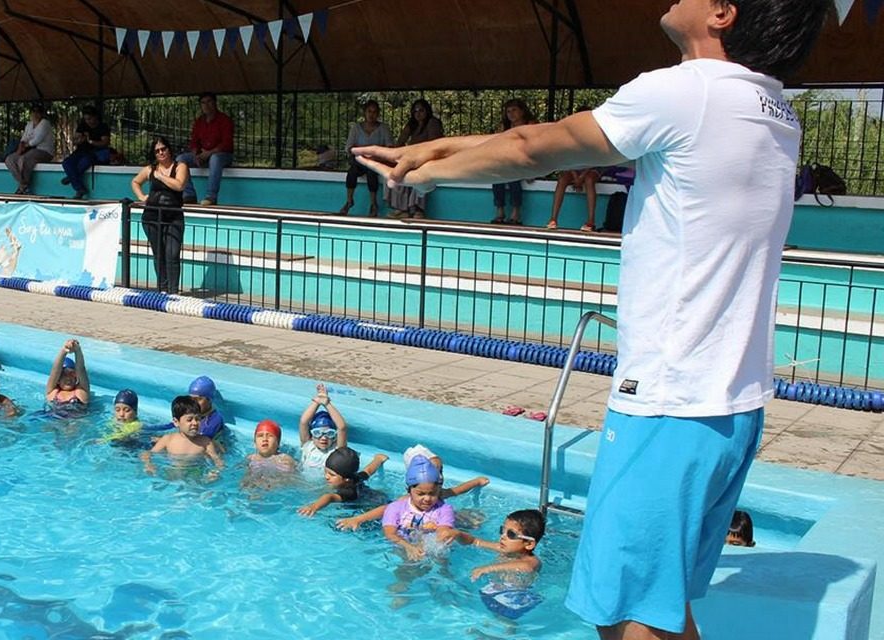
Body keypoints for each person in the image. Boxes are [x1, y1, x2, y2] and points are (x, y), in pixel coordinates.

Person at [353, 1, 835, 636]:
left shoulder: (683, 92)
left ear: (722, 11)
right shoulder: (769, 109)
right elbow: (550, 134)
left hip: (668, 402)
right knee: (663, 608)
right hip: (730, 407)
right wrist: (428, 150)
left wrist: (422, 172)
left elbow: (531, 147)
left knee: (623, 618)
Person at [334, 445, 491, 531]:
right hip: (412, 526)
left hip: (437, 523)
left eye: (439, 470)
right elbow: (385, 509)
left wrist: (476, 482)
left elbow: (457, 490)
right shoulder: (406, 501)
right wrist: (358, 519)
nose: (427, 497)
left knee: (474, 521)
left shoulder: (437, 493)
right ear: (411, 488)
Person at [131, 136, 189, 295]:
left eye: (163, 149)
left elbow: (179, 185)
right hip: (152, 216)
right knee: (159, 253)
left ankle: (173, 291)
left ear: (169, 149)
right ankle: (162, 289)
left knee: (172, 253)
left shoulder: (180, 166)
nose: (161, 152)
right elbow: (135, 182)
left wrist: (161, 176)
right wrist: (142, 197)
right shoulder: (150, 169)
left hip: (173, 215)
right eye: (157, 151)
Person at [141, 395, 225, 479]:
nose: (195, 423)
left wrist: (215, 472)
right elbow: (147, 454)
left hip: (195, 475)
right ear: (176, 422)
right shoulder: (168, 440)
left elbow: (218, 461)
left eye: (198, 419)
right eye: (189, 420)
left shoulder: (205, 442)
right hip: (172, 474)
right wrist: (148, 465)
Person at [546, 106, 602, 231]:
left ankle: (591, 221)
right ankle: (553, 219)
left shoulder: (595, 133)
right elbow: (566, 157)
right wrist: (575, 175)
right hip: (574, 167)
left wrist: (581, 176)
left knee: (589, 180)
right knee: (562, 179)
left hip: (591, 167)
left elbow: (596, 158)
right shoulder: (571, 134)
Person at [385, 99, 443, 220]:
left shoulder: (432, 123)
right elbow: (400, 141)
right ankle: (402, 208)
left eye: (421, 110)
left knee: (420, 176)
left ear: (427, 111)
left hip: (429, 159)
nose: (418, 113)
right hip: (412, 159)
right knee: (396, 172)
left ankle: (417, 208)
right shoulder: (412, 124)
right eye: (415, 111)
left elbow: (434, 144)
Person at [176, 93, 234, 206]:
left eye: (209, 102)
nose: (206, 105)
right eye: (203, 103)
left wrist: (209, 153)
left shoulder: (224, 120)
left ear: (215, 103)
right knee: (180, 158)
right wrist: (196, 154)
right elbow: (194, 142)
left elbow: (226, 143)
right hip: (203, 154)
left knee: (215, 158)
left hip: (222, 155)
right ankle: (189, 194)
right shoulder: (199, 122)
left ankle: (211, 197)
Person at [457, 509, 545, 584]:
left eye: (511, 534)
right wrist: (457, 534)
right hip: (496, 588)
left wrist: (488, 568)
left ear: (529, 544)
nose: (503, 536)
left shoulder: (531, 561)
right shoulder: (504, 549)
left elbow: (526, 567)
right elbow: (476, 541)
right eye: (502, 530)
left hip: (517, 597)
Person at [339, 100, 394, 217]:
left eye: (374, 112)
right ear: (364, 113)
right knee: (352, 172)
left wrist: (376, 154)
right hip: (359, 160)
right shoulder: (356, 128)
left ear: (378, 114)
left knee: (371, 172)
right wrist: (361, 152)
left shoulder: (383, 128)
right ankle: (349, 201)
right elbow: (348, 147)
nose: (371, 115)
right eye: (369, 111)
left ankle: (373, 204)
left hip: (377, 161)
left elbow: (390, 146)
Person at [297, 446, 388, 516]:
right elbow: (368, 471)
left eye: (332, 475)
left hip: (372, 506)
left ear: (346, 479)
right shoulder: (355, 478)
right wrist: (378, 459)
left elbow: (329, 497)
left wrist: (314, 506)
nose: (326, 476)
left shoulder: (349, 492)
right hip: (379, 497)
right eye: (326, 472)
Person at [490, 98, 537, 225]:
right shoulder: (505, 127)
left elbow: (535, 147)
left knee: (513, 177)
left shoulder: (531, 125)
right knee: (497, 176)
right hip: (509, 160)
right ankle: (500, 210)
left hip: (527, 160)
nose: (511, 114)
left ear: (522, 111)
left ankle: (516, 212)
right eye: (508, 111)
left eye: (514, 110)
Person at [60, 106, 111, 200]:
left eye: (90, 118)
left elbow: (105, 142)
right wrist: (80, 140)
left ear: (95, 117)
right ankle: (79, 187)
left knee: (85, 162)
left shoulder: (103, 127)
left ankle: (71, 178)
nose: (88, 121)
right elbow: (75, 140)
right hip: (81, 151)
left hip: (96, 153)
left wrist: (91, 142)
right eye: (86, 119)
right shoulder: (82, 126)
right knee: (67, 163)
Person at [298, 383, 347, 477]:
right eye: (317, 433)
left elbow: (342, 428)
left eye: (329, 433)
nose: (323, 438)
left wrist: (327, 403)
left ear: (335, 436)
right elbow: (303, 422)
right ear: (311, 435)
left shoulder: (336, 452)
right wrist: (316, 402)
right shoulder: (308, 446)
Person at [5, 103, 55, 195]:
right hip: (28, 149)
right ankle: (23, 184)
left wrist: (26, 145)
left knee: (24, 159)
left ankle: (22, 187)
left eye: (38, 112)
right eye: (33, 112)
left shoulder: (45, 123)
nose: (35, 114)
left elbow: (37, 140)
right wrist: (20, 147)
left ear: (41, 114)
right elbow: (24, 138)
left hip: (44, 151)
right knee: (10, 159)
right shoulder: (29, 124)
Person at [242, 419, 298, 489]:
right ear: (255, 443)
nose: (265, 439)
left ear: (278, 443)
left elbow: (293, 479)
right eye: (260, 436)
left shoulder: (285, 459)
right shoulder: (251, 458)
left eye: (270, 436)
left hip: (276, 486)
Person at [46, 339, 90, 405]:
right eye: (64, 374)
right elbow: (55, 371)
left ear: (76, 377)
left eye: (72, 374)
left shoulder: (81, 391)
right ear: (58, 379)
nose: (68, 378)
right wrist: (64, 350)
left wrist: (77, 350)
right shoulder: (52, 392)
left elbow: (81, 369)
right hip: (49, 415)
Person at [187, 375, 227, 440]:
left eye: (198, 399)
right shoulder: (191, 413)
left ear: (209, 400)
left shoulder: (213, 421)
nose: (193, 403)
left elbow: (198, 442)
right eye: (190, 399)